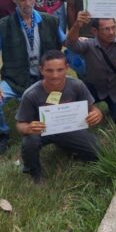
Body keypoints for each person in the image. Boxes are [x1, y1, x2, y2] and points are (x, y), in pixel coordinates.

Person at [0, 0, 65, 154]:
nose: (26, 3)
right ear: (14, 0)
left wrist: (80, 40)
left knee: (60, 102)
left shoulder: (50, 20)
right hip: (14, 80)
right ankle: (0, 134)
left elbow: (67, 43)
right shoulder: (3, 25)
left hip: (45, 79)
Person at [16, 50, 103, 184]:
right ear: (41, 70)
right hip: (42, 132)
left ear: (67, 68)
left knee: (97, 152)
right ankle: (33, 171)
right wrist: (28, 128)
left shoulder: (77, 85)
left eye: (60, 70)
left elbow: (93, 108)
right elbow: (20, 124)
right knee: (30, 141)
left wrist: (97, 114)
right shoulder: (31, 94)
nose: (55, 75)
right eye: (49, 70)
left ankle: (68, 147)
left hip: (70, 128)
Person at [66, 10, 116, 124]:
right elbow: (71, 44)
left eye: (113, 27)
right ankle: (92, 108)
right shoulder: (88, 45)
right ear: (94, 31)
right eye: (106, 29)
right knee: (76, 117)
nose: (111, 32)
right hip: (93, 89)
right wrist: (77, 25)